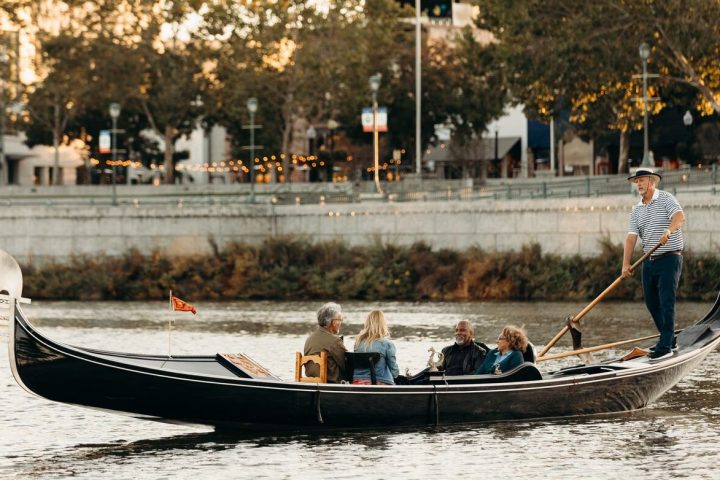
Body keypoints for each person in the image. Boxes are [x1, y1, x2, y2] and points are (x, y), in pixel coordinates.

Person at [622, 168, 685, 360]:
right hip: (649, 261)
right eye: (637, 182)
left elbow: (679, 218)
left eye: (641, 180)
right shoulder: (636, 210)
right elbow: (631, 238)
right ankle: (669, 338)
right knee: (651, 302)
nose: (639, 184)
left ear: (652, 182)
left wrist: (668, 231)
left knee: (666, 300)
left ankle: (665, 345)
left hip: (670, 257)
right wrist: (625, 264)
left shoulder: (666, 198)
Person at [352, 310, 400, 385]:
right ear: (383, 324)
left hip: (357, 382)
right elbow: (394, 372)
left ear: (367, 323)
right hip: (380, 383)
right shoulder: (387, 344)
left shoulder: (358, 343)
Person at [304, 302, 347, 383]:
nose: (341, 323)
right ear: (334, 323)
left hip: (310, 382)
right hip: (331, 384)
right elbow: (346, 364)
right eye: (340, 320)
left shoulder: (309, 338)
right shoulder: (334, 340)